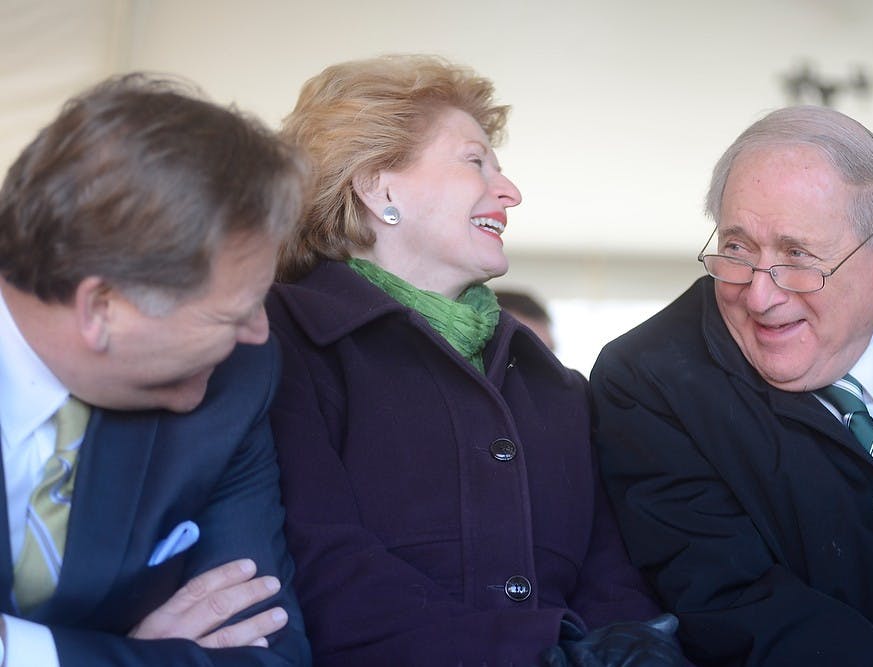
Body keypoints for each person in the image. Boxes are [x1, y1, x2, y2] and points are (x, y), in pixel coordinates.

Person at [266, 54, 687, 666]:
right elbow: (325, 565)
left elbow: (609, 576)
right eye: (475, 162)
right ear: (379, 185)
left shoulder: (556, 386)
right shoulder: (281, 340)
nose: (510, 191)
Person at [591, 105, 873, 666]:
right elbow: (736, 603)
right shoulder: (649, 381)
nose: (759, 295)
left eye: (798, 255)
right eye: (736, 249)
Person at [0, 74, 312, 665]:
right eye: (235, 313)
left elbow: (269, 654)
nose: (261, 333)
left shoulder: (235, 380)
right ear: (102, 307)